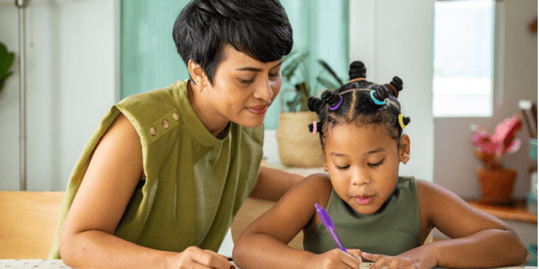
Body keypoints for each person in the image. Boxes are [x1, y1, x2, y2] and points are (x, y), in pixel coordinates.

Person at [49, 0, 304, 268]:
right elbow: (77, 243)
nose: (266, 92)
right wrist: (171, 263)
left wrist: (329, 182)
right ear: (199, 72)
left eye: (275, 73)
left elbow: (241, 174)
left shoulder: (243, 120)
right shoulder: (140, 129)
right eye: (246, 79)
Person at [232, 61, 528, 269]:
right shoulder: (317, 194)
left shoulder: (421, 197)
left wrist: (430, 253)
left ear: (403, 149)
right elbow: (246, 248)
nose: (359, 179)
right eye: (342, 166)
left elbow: (511, 245)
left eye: (374, 162)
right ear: (326, 160)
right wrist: (314, 263)